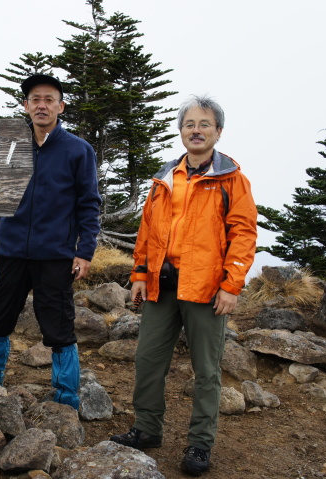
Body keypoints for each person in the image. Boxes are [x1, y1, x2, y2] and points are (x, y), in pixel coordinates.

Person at [109, 95, 257, 475]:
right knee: (147, 360)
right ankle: (147, 429)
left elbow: (243, 233)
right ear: (181, 131)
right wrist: (140, 274)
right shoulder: (164, 178)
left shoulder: (232, 179)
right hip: (162, 284)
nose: (196, 130)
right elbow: (148, 232)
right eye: (189, 124)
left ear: (218, 132)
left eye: (204, 124)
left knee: (206, 370)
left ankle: (200, 445)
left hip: (207, 288)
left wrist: (231, 285)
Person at [0, 74, 101, 410]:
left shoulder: (78, 150)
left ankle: (66, 399)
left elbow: (89, 204)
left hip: (55, 255)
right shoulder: (12, 149)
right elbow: (0, 199)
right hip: (12, 252)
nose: (41, 105)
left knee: (59, 328)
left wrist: (84, 251)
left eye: (49, 99)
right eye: (35, 99)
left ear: (60, 106)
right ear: (25, 106)